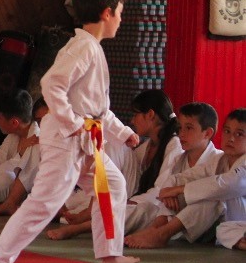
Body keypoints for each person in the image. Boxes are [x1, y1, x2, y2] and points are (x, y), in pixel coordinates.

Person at [0, 0, 141, 263]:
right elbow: (52, 84)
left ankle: (109, 255)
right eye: (119, 13)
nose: (121, 20)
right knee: (44, 202)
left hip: (84, 138)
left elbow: (97, 109)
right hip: (66, 140)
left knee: (113, 185)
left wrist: (123, 133)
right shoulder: (83, 48)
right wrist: (73, 123)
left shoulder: (91, 47)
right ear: (107, 13)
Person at [46, 89, 181, 240]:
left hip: (150, 202)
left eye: (135, 115)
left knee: (136, 209)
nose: (132, 121)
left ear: (150, 114)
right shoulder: (148, 145)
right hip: (129, 192)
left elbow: (161, 191)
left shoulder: (174, 145)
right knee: (76, 200)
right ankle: (88, 208)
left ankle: (80, 225)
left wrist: (132, 201)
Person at [124, 108, 246, 249]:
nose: (231, 138)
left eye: (239, 134)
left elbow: (226, 185)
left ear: (208, 133)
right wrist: (169, 191)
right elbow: (183, 177)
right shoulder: (219, 160)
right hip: (218, 224)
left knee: (212, 195)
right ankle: (155, 229)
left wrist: (178, 190)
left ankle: (162, 234)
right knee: (179, 195)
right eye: (227, 131)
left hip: (236, 221)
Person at [123, 101, 221, 237]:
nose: (182, 134)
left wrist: (175, 192)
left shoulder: (219, 160)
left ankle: (157, 234)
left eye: (189, 128)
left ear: (207, 133)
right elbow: (165, 188)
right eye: (180, 128)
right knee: (144, 209)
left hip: (204, 221)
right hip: (172, 214)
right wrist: (167, 195)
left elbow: (213, 191)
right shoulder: (178, 159)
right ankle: (101, 229)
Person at [0, 98, 50, 216]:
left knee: (4, 180)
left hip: (74, 192)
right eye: (40, 121)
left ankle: (9, 202)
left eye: (48, 119)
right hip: (35, 189)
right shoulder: (35, 139)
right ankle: (11, 202)